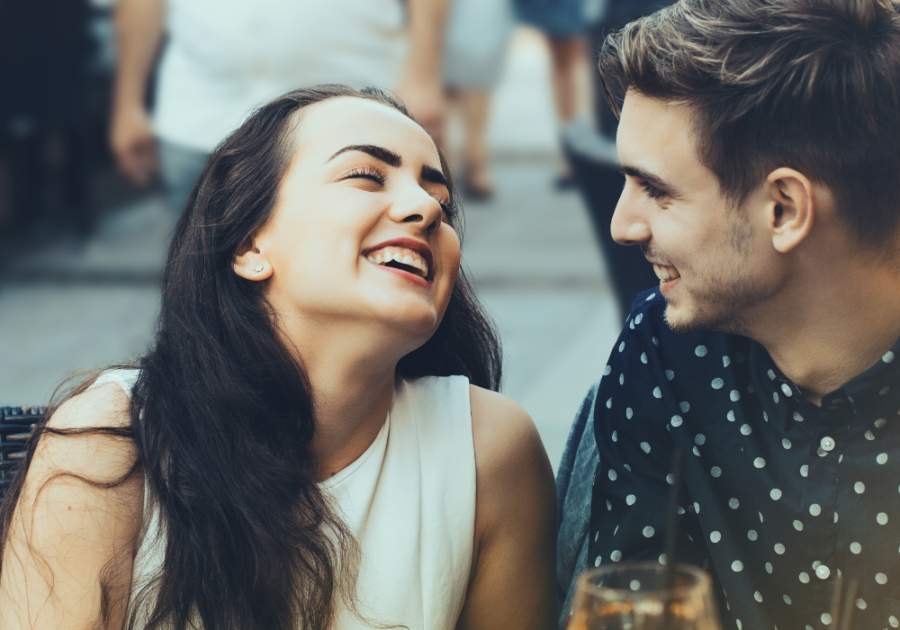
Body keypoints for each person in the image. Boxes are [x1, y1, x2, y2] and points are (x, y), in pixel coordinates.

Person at [0, 86, 557, 630]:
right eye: (366, 175)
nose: (425, 210)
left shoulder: (490, 452)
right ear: (248, 245)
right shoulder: (112, 442)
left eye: (441, 201)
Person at [556, 1, 900, 628]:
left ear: (784, 210)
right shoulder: (665, 349)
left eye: (656, 189)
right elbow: (634, 600)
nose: (621, 226)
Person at [109, 0, 450, 217]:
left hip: (350, 113)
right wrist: (129, 102)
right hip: (198, 114)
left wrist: (423, 74)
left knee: (343, 282)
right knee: (197, 287)